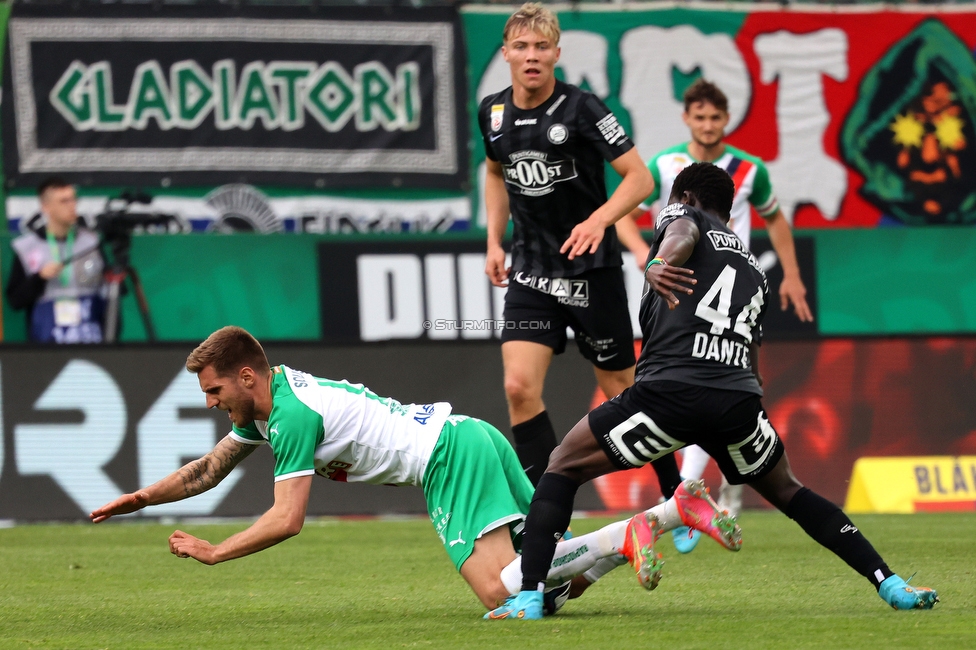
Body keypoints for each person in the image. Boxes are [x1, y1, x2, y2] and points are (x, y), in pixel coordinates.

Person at [487, 163, 938, 621]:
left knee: (562, 465)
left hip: (670, 394)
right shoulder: (755, 269)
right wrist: (743, 396)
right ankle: (890, 582)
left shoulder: (684, 217)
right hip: (737, 402)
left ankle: (528, 596)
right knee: (790, 491)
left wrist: (659, 262)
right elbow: (754, 360)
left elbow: (679, 231)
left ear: (687, 197)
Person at [89, 326, 726, 614]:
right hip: (466, 437)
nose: (210, 402)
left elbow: (288, 520)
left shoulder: (289, 416)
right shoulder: (268, 406)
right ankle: (670, 513)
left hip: (448, 458)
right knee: (549, 589)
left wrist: (215, 551)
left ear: (246, 376)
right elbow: (208, 469)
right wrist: (142, 497)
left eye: (212, 389)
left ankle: (633, 531)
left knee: (500, 592)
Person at [478, 3, 681, 502]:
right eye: (521, 47)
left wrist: (599, 219)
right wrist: (493, 240)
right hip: (531, 271)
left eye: (541, 47)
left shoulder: (583, 108)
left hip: (592, 272)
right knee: (518, 387)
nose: (531, 56)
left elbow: (641, 178)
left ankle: (675, 489)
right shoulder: (493, 111)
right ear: (506, 53)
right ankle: (546, 507)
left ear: (556, 54)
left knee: (622, 389)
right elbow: (493, 170)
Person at [616, 79, 814, 541]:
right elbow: (627, 212)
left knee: (709, 375)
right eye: (699, 117)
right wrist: (648, 257)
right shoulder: (665, 166)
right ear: (686, 118)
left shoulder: (749, 170)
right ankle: (696, 489)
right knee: (680, 376)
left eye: (715, 118)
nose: (707, 126)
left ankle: (689, 491)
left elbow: (776, 219)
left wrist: (793, 274)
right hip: (676, 276)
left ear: (727, 121)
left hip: (730, 289)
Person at [6, 177, 108, 343]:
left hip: (90, 337)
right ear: (46, 207)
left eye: (73, 199)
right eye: (63, 201)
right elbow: (15, 301)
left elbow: (110, 297)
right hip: (47, 341)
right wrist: (39, 278)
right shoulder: (27, 247)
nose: (71, 206)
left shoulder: (92, 243)